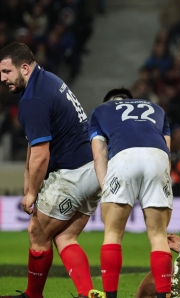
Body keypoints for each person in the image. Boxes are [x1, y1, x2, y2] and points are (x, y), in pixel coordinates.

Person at [0, 42, 104, 298]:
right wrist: (27, 181)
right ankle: (87, 294)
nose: (2, 79)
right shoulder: (48, 80)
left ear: (24, 68)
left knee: (37, 232)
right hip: (96, 170)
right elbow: (34, 144)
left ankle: (32, 295)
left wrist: (31, 193)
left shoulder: (33, 99)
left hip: (72, 173)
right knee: (65, 238)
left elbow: (41, 155)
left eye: (6, 72)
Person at [89, 88, 173, 298]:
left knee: (113, 234)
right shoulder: (157, 109)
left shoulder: (101, 111)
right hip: (158, 158)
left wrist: (106, 187)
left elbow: (99, 155)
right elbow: (167, 149)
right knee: (158, 235)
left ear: (109, 102)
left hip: (124, 157)